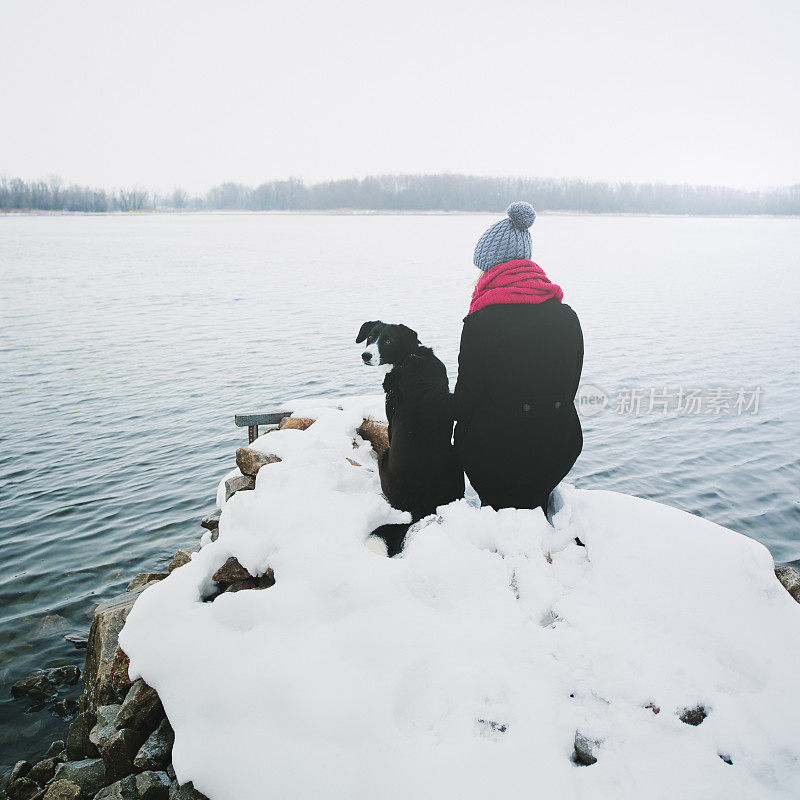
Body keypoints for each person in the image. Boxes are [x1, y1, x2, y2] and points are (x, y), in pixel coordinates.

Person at [452, 202, 583, 513]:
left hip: (496, 456)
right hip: (558, 449)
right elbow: (569, 389)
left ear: (490, 267)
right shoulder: (567, 316)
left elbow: (463, 404)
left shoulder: (480, 323)